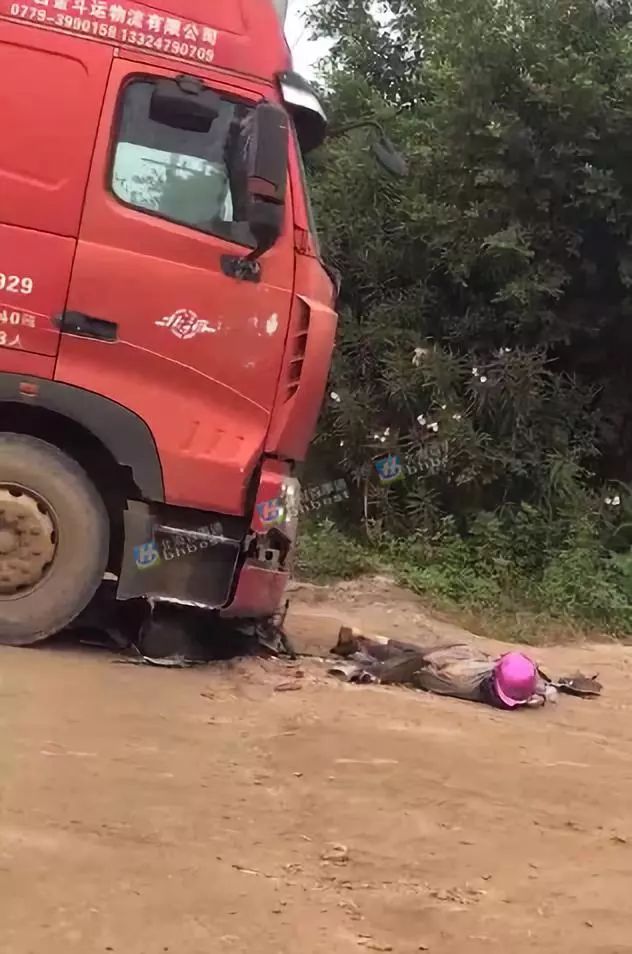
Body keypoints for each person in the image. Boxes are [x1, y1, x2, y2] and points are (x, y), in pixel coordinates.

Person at [330, 628, 547, 709]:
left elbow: (423, 669)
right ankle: (363, 646)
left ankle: (364, 642)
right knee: (414, 658)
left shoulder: (465, 679)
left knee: (415, 655)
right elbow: (422, 667)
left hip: (463, 659)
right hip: (459, 662)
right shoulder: (461, 681)